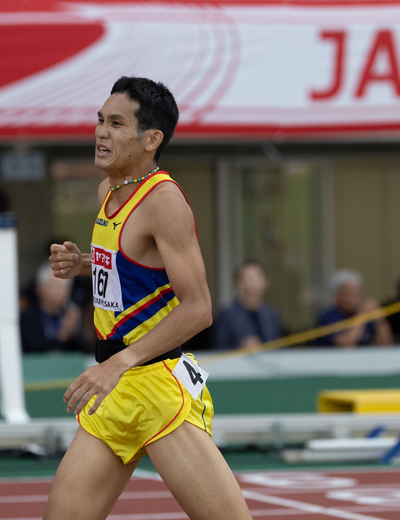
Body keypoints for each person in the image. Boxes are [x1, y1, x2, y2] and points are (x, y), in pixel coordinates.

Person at [46, 77, 251, 520]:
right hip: (114, 388)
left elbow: (199, 308)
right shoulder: (108, 190)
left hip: (155, 387)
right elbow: (133, 265)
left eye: (117, 123)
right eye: (100, 120)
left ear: (151, 139)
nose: (101, 132)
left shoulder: (163, 200)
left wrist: (119, 363)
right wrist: (83, 262)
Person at [213, 260, 283, 350]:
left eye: (255, 279)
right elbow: (217, 349)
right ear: (236, 282)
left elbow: (280, 348)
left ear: (266, 282)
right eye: (245, 279)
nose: (250, 285)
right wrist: (240, 347)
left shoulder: (272, 315)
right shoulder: (226, 315)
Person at [19, 262, 88, 353]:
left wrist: (74, 331)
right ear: (39, 289)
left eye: (64, 287)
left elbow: (85, 351)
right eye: (55, 286)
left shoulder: (71, 315)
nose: (59, 292)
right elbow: (32, 348)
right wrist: (62, 336)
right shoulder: (28, 318)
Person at [315, 269, 393, 347]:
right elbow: (346, 345)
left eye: (357, 293)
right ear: (337, 295)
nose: (354, 299)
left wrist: (380, 319)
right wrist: (361, 315)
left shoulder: (365, 314)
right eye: (349, 294)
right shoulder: (328, 316)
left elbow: (386, 345)